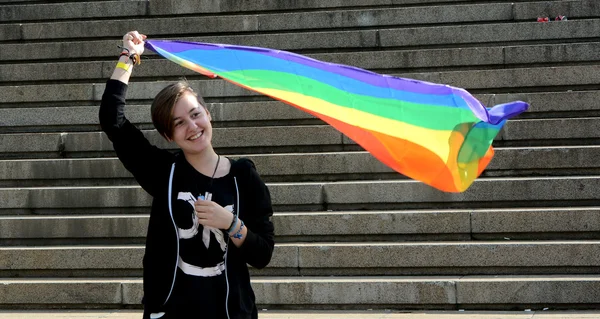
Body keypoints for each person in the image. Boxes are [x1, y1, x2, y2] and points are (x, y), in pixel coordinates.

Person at [99, 31, 275, 319]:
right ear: (169, 135)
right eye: (179, 123)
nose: (192, 127)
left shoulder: (244, 176)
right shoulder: (163, 172)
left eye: (195, 115)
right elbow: (111, 119)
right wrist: (128, 56)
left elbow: (263, 254)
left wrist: (231, 223)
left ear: (208, 114)